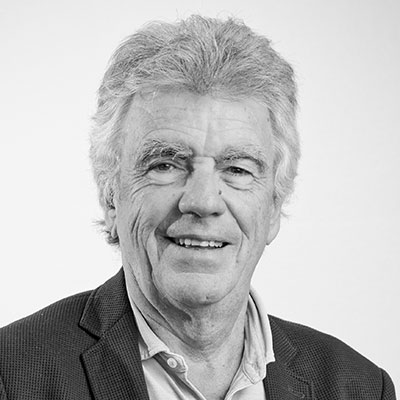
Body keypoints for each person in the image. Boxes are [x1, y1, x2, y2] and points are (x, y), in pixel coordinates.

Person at [0, 15, 396, 400]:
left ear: (275, 204)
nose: (203, 201)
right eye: (165, 165)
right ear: (110, 196)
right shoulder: (12, 377)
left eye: (237, 169)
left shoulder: (359, 387)